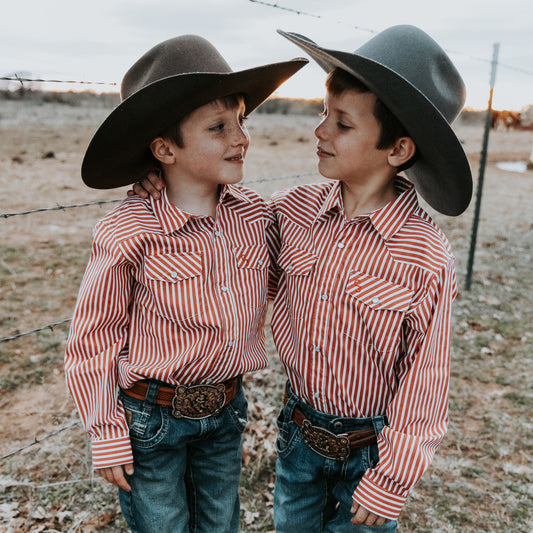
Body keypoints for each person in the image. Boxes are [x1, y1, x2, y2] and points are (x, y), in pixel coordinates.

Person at [130, 25, 473, 532]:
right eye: (322, 115)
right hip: (300, 437)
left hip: (372, 453)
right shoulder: (292, 213)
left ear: (398, 150)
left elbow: (426, 379)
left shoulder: (424, 254)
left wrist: (394, 476)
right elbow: (228, 231)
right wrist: (170, 184)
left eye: (342, 124)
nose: (320, 131)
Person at [64, 35, 306, 533]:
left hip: (224, 412)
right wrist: (106, 429)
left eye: (242, 120)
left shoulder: (255, 216)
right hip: (151, 421)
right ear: (164, 149)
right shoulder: (130, 229)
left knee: (221, 523)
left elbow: (311, 244)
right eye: (219, 127)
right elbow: (93, 338)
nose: (240, 138)